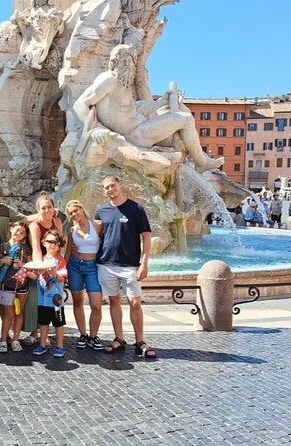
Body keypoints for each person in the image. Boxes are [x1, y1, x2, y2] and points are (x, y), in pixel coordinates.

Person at [71, 44, 223, 174]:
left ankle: (199, 160)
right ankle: (202, 163)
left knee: (179, 126)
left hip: (141, 128)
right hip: (136, 135)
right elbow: (80, 104)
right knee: (186, 119)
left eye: (131, 61)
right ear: (114, 63)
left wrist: (161, 102)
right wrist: (95, 128)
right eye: (124, 60)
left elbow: (135, 109)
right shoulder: (109, 80)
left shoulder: (123, 84)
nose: (128, 65)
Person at [95, 175, 156, 358]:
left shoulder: (136, 208)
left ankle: (140, 340)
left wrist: (144, 263)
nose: (110, 189)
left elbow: (146, 236)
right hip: (106, 263)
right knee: (113, 301)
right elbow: (96, 236)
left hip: (130, 265)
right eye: (106, 187)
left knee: (135, 302)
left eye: (112, 185)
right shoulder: (101, 210)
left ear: (120, 185)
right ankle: (119, 338)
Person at [64, 200, 104, 351]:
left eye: (76, 210)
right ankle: (83, 334)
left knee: (96, 305)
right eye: (71, 213)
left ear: (82, 209)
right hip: (75, 266)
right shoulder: (71, 231)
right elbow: (68, 252)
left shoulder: (98, 225)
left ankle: (93, 336)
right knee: (77, 301)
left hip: (93, 267)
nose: (74, 214)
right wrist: (63, 271)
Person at [24, 193, 63, 346]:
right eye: (43, 208)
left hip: (55, 264)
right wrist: (40, 268)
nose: (47, 210)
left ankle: (50, 333)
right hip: (40, 263)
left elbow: (60, 244)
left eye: (49, 207)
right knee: (38, 298)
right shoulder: (34, 226)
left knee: (53, 298)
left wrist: (58, 265)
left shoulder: (57, 221)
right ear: (38, 210)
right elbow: (36, 249)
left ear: (54, 208)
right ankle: (35, 332)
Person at [0, 221, 32, 353]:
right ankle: (3, 340)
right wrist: (2, 261)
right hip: (7, 284)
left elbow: (31, 265)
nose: (19, 233)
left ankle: (16, 339)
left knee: (19, 312)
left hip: (22, 284)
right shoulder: (3, 247)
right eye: (17, 230)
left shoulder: (26, 248)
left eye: (22, 232)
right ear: (11, 229)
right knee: (8, 313)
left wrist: (23, 265)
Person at [32, 230, 68, 358]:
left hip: (56, 300)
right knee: (43, 323)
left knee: (58, 323)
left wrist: (53, 273)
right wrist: (26, 270)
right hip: (42, 299)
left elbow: (62, 279)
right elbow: (35, 276)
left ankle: (60, 346)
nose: (53, 245)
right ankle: (42, 344)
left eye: (56, 242)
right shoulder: (40, 259)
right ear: (43, 243)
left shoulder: (60, 260)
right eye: (50, 241)